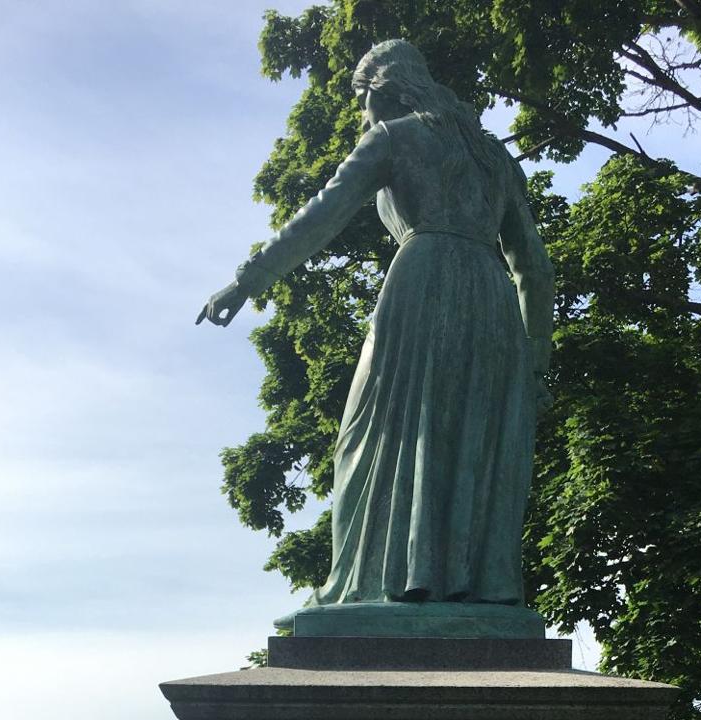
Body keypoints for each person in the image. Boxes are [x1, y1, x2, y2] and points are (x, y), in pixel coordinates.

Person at [197, 38, 553, 608]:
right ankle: (472, 583)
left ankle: (370, 586)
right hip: (492, 301)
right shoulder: (494, 158)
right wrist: (536, 358)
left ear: (380, 91)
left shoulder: (393, 136)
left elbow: (323, 215)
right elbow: (533, 264)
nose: (364, 115)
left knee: (373, 436)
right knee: (468, 439)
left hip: (423, 286)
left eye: (364, 101)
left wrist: (247, 281)